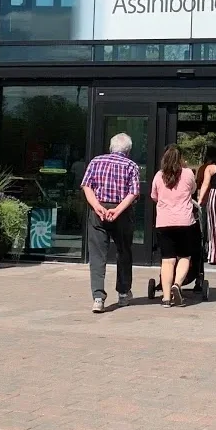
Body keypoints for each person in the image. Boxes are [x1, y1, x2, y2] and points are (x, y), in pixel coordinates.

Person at [81, 132, 141, 314]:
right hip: (121, 211)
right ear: (128, 151)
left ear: (110, 147)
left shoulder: (96, 161)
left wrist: (97, 206)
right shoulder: (131, 165)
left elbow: (86, 185)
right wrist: (118, 209)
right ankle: (123, 294)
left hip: (98, 211)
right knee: (124, 251)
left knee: (98, 255)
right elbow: (134, 192)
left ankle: (98, 297)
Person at [150, 144, 200, 306]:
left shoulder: (158, 176)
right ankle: (177, 284)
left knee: (167, 260)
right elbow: (193, 190)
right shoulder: (187, 174)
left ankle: (165, 298)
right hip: (185, 222)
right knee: (184, 256)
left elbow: (154, 197)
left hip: (164, 223)